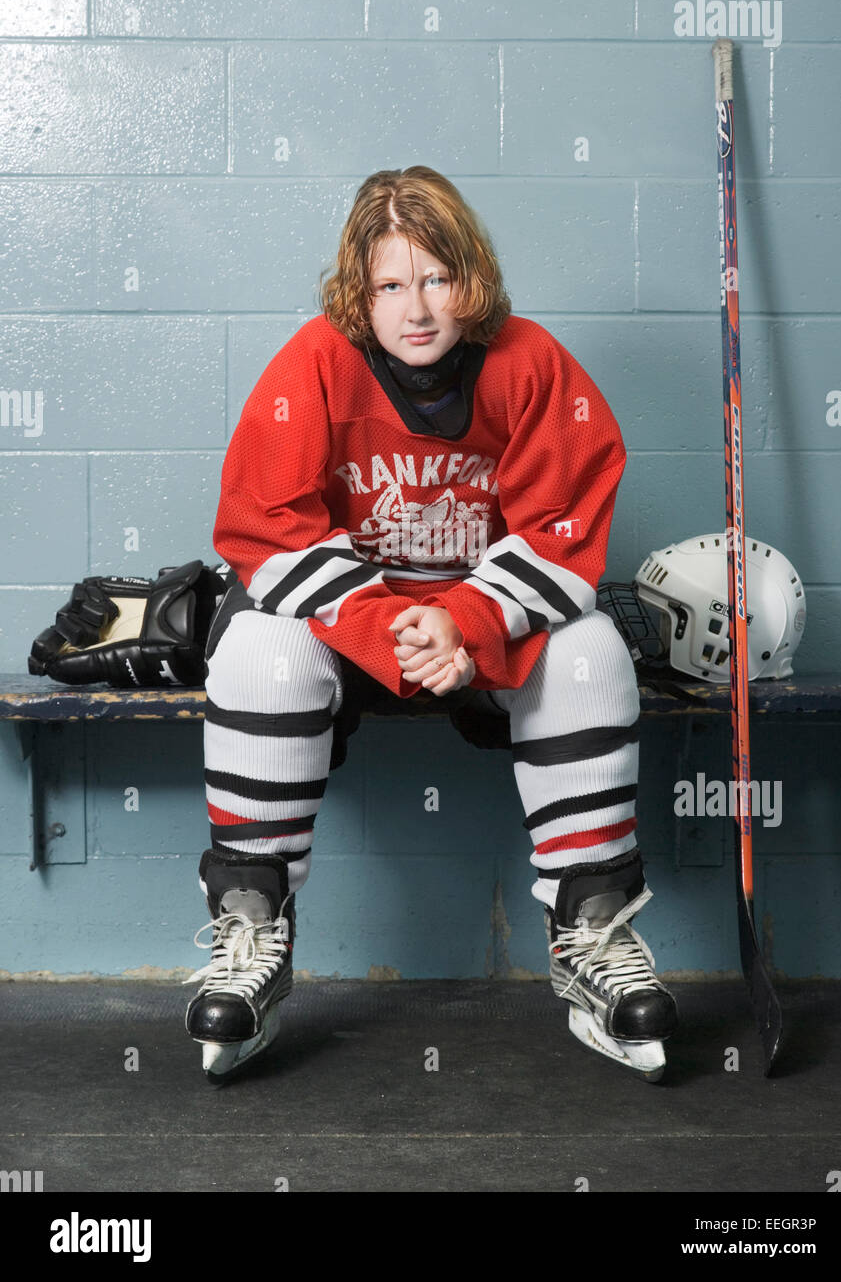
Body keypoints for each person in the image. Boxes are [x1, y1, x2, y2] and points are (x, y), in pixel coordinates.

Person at [183, 165, 678, 1082]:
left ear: (471, 276)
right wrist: (383, 627)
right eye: (390, 285)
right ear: (358, 293)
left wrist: (467, 619)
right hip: (355, 629)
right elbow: (265, 523)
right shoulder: (315, 364)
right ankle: (252, 932)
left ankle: (593, 934)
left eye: (437, 277)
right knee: (256, 649)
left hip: (482, 632)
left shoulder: (530, 362)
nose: (417, 308)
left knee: (592, 651)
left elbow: (562, 526)